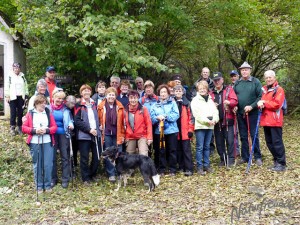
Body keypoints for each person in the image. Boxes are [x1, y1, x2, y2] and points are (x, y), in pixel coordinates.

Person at [22, 95, 57, 192]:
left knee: (48, 164)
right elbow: (24, 128)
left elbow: (54, 127)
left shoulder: (48, 113)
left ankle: (47, 185)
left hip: (47, 141)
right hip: (34, 141)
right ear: (36, 104)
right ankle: (39, 186)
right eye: (42, 103)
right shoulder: (30, 114)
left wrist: (46, 130)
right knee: (37, 164)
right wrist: (34, 131)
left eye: (45, 103)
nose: (44, 105)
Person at [233, 62, 263, 166]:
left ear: (250, 70)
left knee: (254, 135)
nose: (244, 71)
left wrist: (252, 106)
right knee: (243, 136)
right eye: (242, 70)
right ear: (240, 71)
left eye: (246, 69)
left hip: (253, 113)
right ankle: (245, 156)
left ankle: (257, 156)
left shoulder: (256, 82)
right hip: (240, 114)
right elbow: (234, 97)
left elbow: (260, 96)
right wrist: (235, 106)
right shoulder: (237, 83)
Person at [257, 70, 286, 171]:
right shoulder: (264, 90)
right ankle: (276, 161)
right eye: (266, 77)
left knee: (277, 142)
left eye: (270, 77)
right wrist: (260, 104)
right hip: (266, 120)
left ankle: (281, 163)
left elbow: (277, 104)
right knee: (269, 142)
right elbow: (263, 103)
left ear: (274, 78)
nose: (268, 79)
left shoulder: (279, 90)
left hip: (275, 121)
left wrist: (264, 102)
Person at [74, 84, 102, 185]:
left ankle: (92, 174)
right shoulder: (78, 105)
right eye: (84, 91)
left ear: (91, 92)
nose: (86, 92)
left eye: (88, 90)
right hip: (84, 135)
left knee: (97, 156)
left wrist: (100, 126)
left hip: (96, 134)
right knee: (84, 157)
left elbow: (98, 117)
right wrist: (89, 129)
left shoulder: (95, 104)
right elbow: (77, 121)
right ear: (81, 93)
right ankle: (85, 178)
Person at [150, 84, 179, 176]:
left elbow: (176, 115)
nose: (163, 94)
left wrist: (166, 117)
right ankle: (162, 169)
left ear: (168, 93)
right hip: (159, 131)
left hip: (171, 130)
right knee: (161, 150)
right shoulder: (155, 105)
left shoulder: (173, 103)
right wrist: (158, 118)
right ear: (158, 94)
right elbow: (151, 117)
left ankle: (172, 169)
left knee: (172, 150)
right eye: (161, 92)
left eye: (165, 92)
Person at [210, 72, 238, 167]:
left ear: (222, 80)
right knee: (219, 142)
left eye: (218, 80)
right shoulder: (211, 92)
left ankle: (231, 159)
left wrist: (229, 102)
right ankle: (223, 159)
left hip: (228, 119)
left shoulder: (229, 89)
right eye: (215, 80)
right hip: (217, 122)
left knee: (230, 140)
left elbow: (235, 101)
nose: (217, 82)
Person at [191, 81, 219, 175]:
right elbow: (196, 115)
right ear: (198, 90)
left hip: (210, 127)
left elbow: (215, 112)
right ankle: (199, 167)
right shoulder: (195, 100)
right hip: (200, 126)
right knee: (200, 147)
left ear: (207, 89)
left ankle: (206, 165)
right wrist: (207, 121)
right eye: (200, 89)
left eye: (204, 88)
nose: (202, 90)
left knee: (207, 146)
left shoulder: (210, 100)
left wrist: (215, 120)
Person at [98, 87, 125, 182]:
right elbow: (98, 118)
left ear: (115, 96)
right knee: (109, 153)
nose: (111, 96)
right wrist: (99, 126)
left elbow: (123, 121)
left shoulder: (120, 106)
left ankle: (120, 172)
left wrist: (123, 133)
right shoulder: (101, 106)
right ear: (106, 95)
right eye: (109, 94)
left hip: (118, 133)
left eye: (113, 95)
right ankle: (111, 173)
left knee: (118, 153)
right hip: (107, 133)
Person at [50, 88, 74, 188]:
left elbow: (70, 120)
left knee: (65, 157)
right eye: (58, 98)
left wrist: (71, 124)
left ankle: (65, 178)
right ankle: (53, 179)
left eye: (62, 99)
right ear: (53, 97)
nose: (60, 100)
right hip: (51, 134)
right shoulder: (48, 109)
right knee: (52, 157)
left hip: (64, 134)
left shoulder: (66, 109)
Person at [124, 90, 152, 156]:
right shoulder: (125, 110)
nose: (133, 100)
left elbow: (148, 123)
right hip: (130, 136)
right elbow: (123, 125)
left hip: (142, 135)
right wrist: (124, 137)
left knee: (143, 155)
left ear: (138, 98)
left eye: (135, 98)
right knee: (129, 157)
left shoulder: (143, 109)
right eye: (131, 98)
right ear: (128, 98)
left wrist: (149, 137)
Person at [174, 85, 194, 176]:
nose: (178, 92)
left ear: (183, 92)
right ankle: (181, 166)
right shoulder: (172, 103)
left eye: (179, 91)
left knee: (186, 151)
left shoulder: (187, 103)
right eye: (176, 91)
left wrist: (190, 130)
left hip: (185, 131)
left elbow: (191, 118)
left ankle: (189, 168)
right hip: (175, 131)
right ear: (174, 92)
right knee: (178, 150)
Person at [4, 62, 29, 135]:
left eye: (18, 68)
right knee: (13, 113)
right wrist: (7, 95)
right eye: (15, 68)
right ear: (13, 68)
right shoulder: (9, 76)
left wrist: (26, 95)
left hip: (21, 97)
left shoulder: (22, 76)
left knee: (20, 112)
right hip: (12, 97)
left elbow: (25, 86)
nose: (16, 69)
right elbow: (7, 86)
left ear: (20, 69)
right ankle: (12, 127)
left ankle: (19, 127)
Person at [139, 80, 158, 158]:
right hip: (146, 126)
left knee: (157, 146)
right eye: (146, 88)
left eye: (150, 87)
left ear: (153, 89)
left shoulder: (157, 99)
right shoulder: (141, 100)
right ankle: (148, 164)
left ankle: (158, 165)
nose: (148, 89)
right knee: (148, 146)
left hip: (156, 125)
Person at [229, 70, 241, 156]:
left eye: (235, 76)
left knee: (243, 133)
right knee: (234, 132)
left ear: (238, 76)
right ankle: (236, 151)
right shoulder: (229, 87)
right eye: (232, 76)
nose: (233, 78)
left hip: (241, 111)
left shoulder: (241, 85)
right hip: (232, 112)